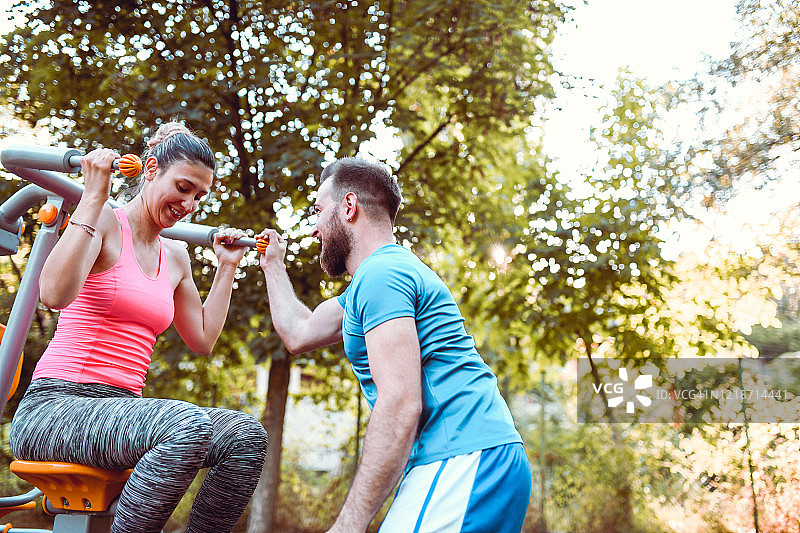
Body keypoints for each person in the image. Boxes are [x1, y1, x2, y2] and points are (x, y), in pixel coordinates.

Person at [10, 122, 268, 533]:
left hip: (120, 412)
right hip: (55, 408)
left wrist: (227, 268)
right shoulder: (104, 221)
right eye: (183, 188)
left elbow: (202, 339)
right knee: (186, 426)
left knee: (245, 436)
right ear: (150, 170)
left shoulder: (176, 255)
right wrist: (93, 197)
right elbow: (53, 294)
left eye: (199, 196)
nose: (189, 204)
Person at [257, 157, 531, 533]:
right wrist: (272, 263)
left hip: (462, 454)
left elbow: (400, 402)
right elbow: (299, 332)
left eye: (318, 211)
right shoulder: (379, 278)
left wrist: (348, 525)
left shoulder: (381, 276)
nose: (314, 228)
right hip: (478, 455)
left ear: (349, 206)